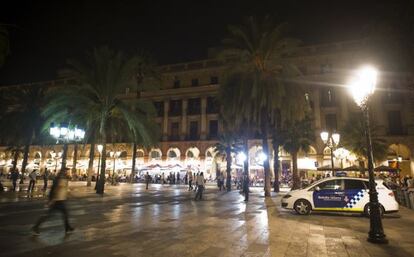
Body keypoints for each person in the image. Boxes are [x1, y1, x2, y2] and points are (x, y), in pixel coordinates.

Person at [32, 168, 74, 235]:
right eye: (67, 172)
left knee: (65, 214)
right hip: (57, 201)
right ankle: (36, 227)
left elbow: (64, 189)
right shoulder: (59, 179)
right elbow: (55, 190)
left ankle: (67, 227)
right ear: (64, 172)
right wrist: (52, 200)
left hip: (61, 200)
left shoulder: (64, 179)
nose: (69, 173)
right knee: (49, 215)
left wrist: (68, 193)